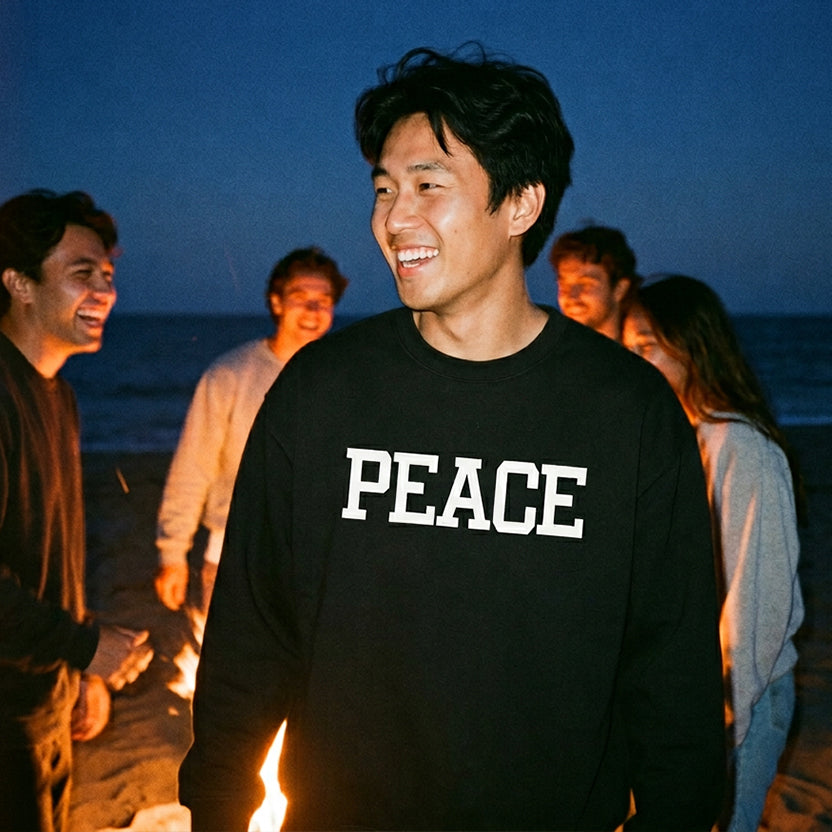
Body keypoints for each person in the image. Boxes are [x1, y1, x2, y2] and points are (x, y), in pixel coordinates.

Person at [179, 44, 725, 831]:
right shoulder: (320, 394)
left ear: (520, 205)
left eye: (428, 186)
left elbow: (671, 669)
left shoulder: (627, 413)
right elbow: (252, 636)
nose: (394, 219)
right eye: (383, 189)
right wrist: (219, 809)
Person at [621, 275, 805, 832]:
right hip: (690, 696)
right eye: (629, 349)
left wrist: (725, 720)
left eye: (646, 347)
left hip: (737, 696)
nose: (634, 364)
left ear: (692, 346)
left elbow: (755, 607)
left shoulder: (740, 447)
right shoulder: (687, 438)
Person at [0, 190, 153, 832]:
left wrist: (82, 669)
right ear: (18, 283)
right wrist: (85, 646)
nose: (103, 292)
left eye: (109, 276)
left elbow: (53, 553)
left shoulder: (57, 395)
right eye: (81, 274)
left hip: (46, 700)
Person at [154, 247, 348, 614]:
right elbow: (193, 467)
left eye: (323, 301)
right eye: (299, 298)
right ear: (276, 303)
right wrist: (173, 553)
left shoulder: (346, 379)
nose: (312, 311)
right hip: (235, 558)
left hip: (319, 564)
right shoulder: (230, 374)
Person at [549, 225, 641, 340]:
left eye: (585, 284)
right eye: (564, 285)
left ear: (619, 289)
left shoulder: (647, 354)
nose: (572, 296)